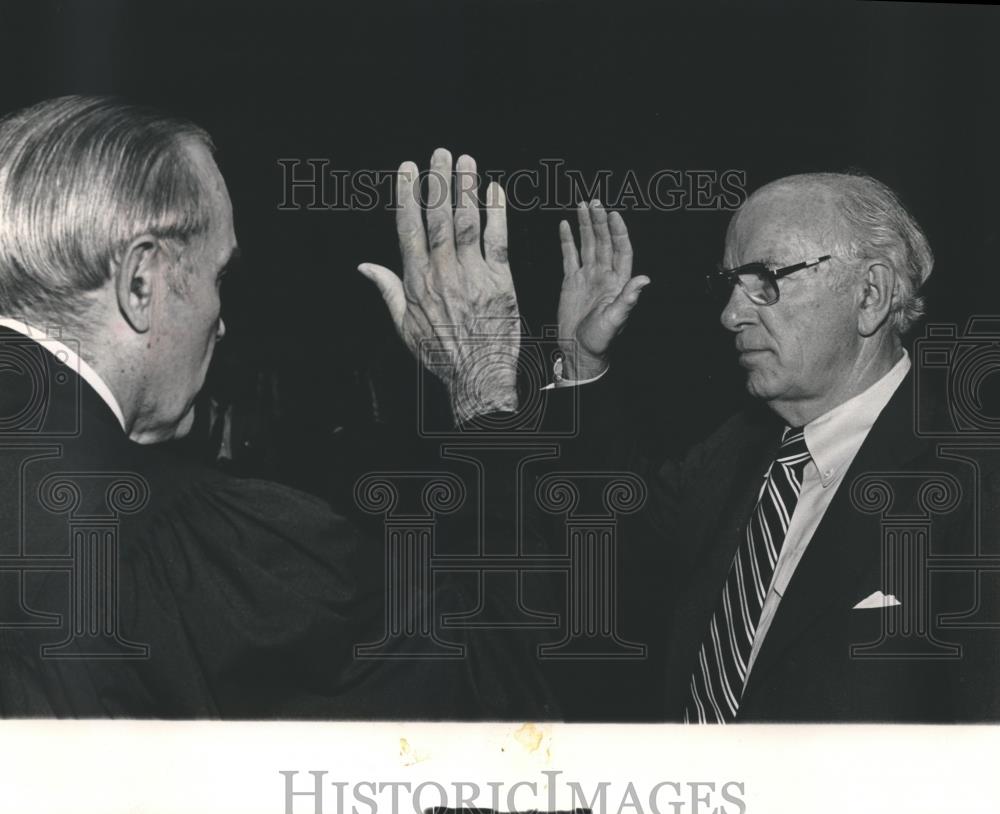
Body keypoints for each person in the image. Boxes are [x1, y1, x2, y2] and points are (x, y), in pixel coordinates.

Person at [364, 159, 1000, 722]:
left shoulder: (974, 487)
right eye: (728, 283)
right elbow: (604, 536)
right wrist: (580, 364)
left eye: (766, 280)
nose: (730, 315)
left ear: (871, 294)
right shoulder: (740, 452)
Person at [0, 96, 551, 718]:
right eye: (218, 276)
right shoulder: (187, 548)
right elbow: (495, 692)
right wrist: (486, 397)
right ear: (140, 282)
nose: (222, 322)